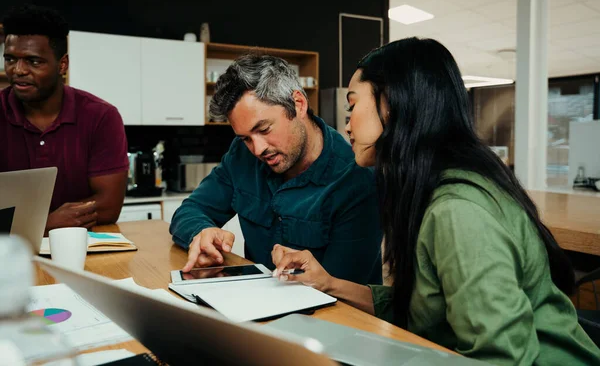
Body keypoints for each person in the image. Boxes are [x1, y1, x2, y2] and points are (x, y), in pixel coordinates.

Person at [271, 37, 600, 365]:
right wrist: (328, 284)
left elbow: (502, 358)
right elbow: (421, 307)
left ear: (391, 104)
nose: (347, 123)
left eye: (352, 105)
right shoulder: (432, 191)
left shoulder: (457, 211)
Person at [169, 54, 383, 285]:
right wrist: (202, 233)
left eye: (264, 129)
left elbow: (344, 294)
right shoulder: (241, 155)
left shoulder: (356, 179)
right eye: (245, 138)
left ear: (298, 104)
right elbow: (189, 211)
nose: (258, 149)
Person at [0, 4, 129, 233]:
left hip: (80, 251)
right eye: (10, 59)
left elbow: (109, 206)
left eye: (33, 61)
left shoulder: (101, 116)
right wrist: (46, 223)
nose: (18, 70)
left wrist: (19, 222)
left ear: (62, 65)